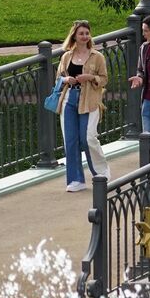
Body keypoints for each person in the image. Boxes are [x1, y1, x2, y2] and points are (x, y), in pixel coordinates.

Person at [56, 19, 110, 192]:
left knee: (87, 138)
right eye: (81, 33)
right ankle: (75, 180)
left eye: (87, 33)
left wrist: (90, 78)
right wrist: (66, 79)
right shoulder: (67, 56)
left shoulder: (97, 56)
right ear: (74, 36)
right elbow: (58, 78)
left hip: (89, 100)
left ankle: (100, 171)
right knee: (70, 141)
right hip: (69, 99)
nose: (85, 36)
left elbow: (104, 79)